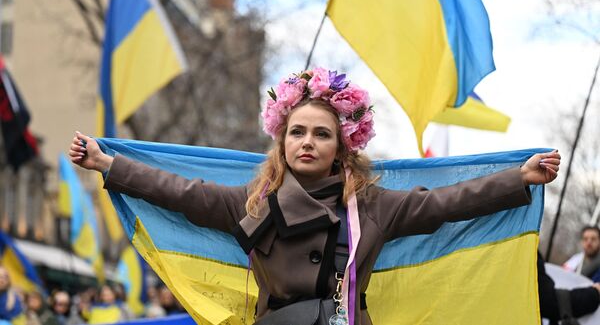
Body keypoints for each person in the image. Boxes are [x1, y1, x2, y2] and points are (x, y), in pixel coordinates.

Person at [69, 67, 561, 325]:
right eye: (297, 131)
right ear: (281, 140)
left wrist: (518, 179)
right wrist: (109, 166)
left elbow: (446, 202)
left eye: (321, 134)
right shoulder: (252, 200)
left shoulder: (373, 204)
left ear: (342, 144)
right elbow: (177, 191)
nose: (307, 142)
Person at [538, 251, 600, 324]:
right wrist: (594, 294)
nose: (589, 242)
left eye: (593, 239)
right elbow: (549, 301)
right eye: (585, 239)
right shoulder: (575, 261)